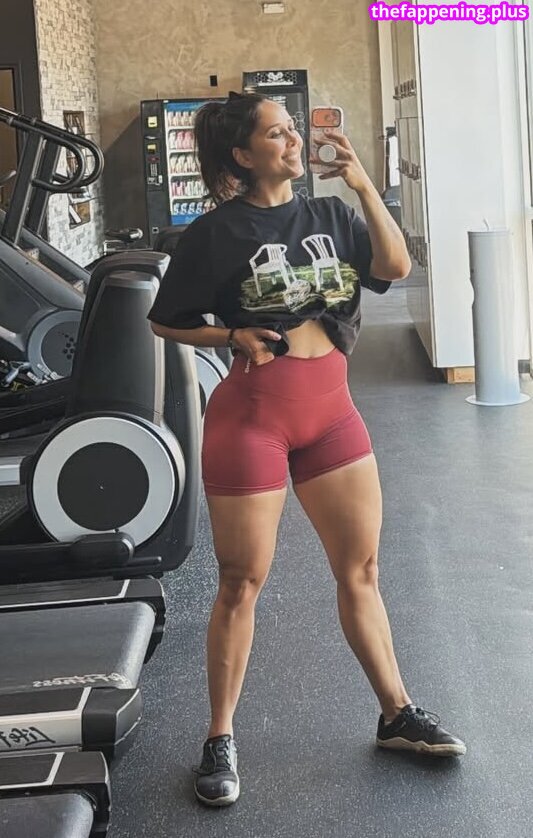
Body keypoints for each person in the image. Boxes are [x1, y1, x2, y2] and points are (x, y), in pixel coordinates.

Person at [148, 92, 466, 808]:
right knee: (241, 581)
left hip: (332, 416)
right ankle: (219, 737)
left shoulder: (332, 215)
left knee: (361, 570)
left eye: (293, 129)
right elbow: (165, 321)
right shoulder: (214, 234)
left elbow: (393, 267)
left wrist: (361, 183)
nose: (293, 140)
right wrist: (229, 335)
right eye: (277, 133)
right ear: (243, 155)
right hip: (252, 419)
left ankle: (396, 714)